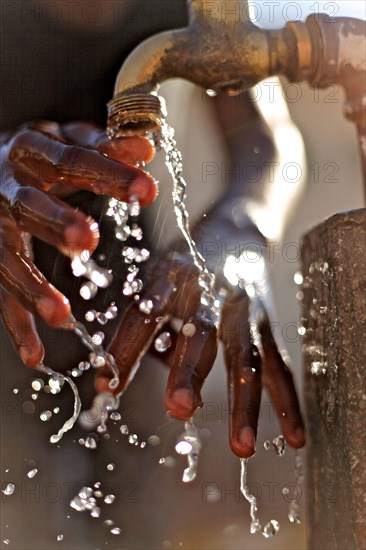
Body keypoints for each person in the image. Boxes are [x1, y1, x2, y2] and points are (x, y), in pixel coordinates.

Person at [0, 1, 307, 548]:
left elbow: (265, 139)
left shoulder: (206, 7)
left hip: (133, 322)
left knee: (131, 523)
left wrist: (238, 236)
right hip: (12, 316)